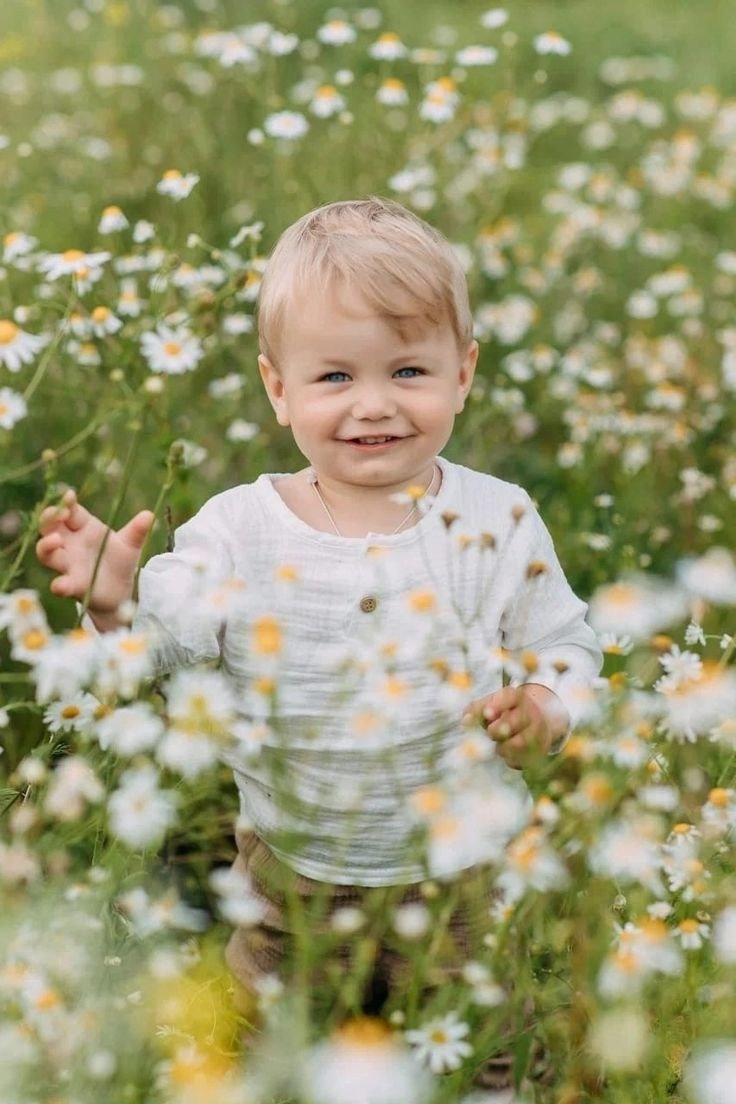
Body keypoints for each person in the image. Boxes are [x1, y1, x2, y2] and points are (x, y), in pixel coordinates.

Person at [36, 196, 602, 1089]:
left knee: (480, 1041)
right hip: (288, 868)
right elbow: (162, 654)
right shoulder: (238, 529)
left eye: (409, 370)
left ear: (464, 372)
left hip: (460, 867)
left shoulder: (499, 517)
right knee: (271, 1044)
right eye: (335, 378)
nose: (373, 406)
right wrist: (117, 604)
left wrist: (546, 703)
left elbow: (566, 639)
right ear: (277, 388)